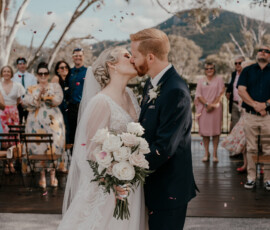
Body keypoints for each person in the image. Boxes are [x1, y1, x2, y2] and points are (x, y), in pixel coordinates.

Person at [58, 47, 144, 230]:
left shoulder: (130, 95)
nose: (133, 59)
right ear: (112, 65)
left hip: (131, 183)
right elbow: (89, 152)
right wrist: (115, 177)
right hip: (110, 188)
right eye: (127, 56)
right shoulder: (101, 102)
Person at [130, 28, 197, 230]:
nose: (132, 60)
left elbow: (164, 147)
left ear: (150, 57)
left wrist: (128, 171)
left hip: (169, 188)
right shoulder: (150, 85)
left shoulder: (175, 90)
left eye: (134, 55)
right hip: (152, 183)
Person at [22, 62, 65, 188]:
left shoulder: (55, 86)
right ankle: (41, 176)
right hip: (35, 123)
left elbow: (58, 99)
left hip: (53, 122)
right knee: (38, 147)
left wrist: (45, 95)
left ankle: (52, 175)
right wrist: (38, 95)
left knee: (54, 146)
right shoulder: (31, 88)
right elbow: (25, 103)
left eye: (45, 73)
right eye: (40, 73)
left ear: (48, 74)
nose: (43, 75)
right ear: (36, 75)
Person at [237, 45, 270, 190]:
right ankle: (251, 178)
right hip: (250, 116)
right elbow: (241, 90)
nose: (263, 52)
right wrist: (255, 105)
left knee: (268, 149)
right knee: (251, 149)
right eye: (260, 50)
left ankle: (268, 179)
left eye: (266, 51)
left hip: (268, 117)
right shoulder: (247, 71)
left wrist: (265, 105)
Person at [195, 62, 225, 163]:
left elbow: (221, 93)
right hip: (204, 109)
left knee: (216, 132)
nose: (209, 70)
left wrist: (213, 105)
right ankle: (206, 153)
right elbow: (198, 95)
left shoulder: (219, 80)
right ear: (204, 70)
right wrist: (207, 105)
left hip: (216, 109)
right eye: (207, 69)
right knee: (205, 133)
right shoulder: (201, 80)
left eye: (211, 68)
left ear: (214, 69)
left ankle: (215, 154)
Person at [67, 48, 87, 145]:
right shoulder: (68, 72)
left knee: (82, 133)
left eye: (80, 55)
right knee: (71, 134)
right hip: (69, 107)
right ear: (72, 57)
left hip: (82, 106)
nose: (78, 57)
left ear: (83, 57)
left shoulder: (88, 72)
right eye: (75, 55)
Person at [13, 57, 37, 124]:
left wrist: (27, 100)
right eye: (20, 64)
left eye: (24, 63)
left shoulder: (32, 77)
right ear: (17, 65)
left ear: (26, 65)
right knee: (18, 122)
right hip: (17, 104)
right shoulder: (13, 77)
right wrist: (19, 100)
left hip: (29, 103)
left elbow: (34, 90)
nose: (22, 65)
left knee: (29, 123)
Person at [51, 61, 71, 144]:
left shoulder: (67, 80)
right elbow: (51, 95)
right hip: (58, 109)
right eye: (62, 68)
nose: (64, 69)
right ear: (57, 70)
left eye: (66, 67)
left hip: (66, 109)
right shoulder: (56, 78)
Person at [226, 56, 245, 131]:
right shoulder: (234, 74)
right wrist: (227, 91)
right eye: (235, 63)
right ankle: (235, 142)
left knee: (244, 126)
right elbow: (231, 84)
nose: (237, 65)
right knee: (234, 124)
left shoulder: (247, 74)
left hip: (244, 105)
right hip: (234, 103)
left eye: (239, 63)